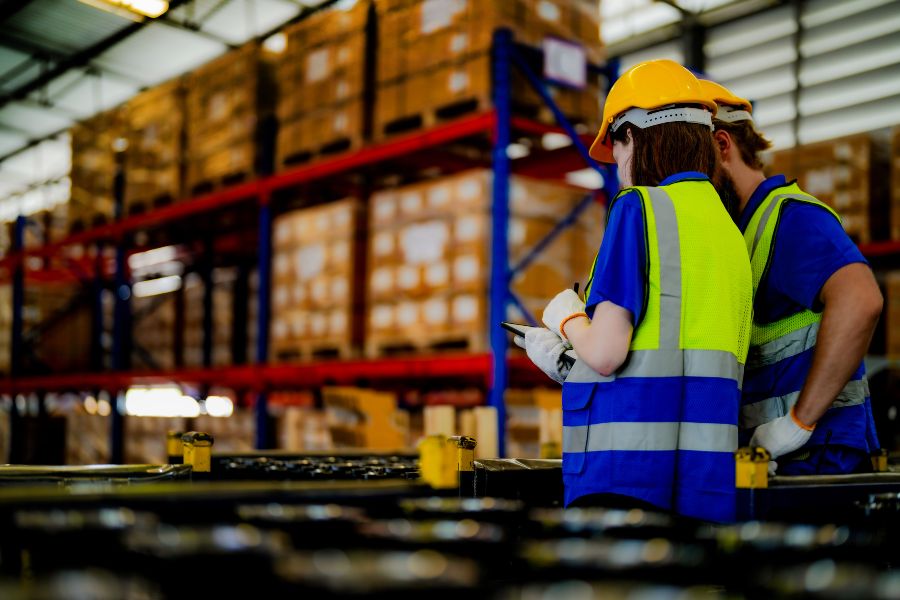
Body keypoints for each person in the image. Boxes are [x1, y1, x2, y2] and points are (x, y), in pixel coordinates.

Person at [516, 60, 752, 522]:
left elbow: (606, 352)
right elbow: (673, 354)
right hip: (706, 476)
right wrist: (571, 363)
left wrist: (567, 319)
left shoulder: (639, 207)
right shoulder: (728, 230)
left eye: (618, 150)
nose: (620, 168)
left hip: (627, 473)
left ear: (636, 137)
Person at [699, 79, 882, 476]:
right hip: (776, 461)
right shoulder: (741, 235)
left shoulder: (790, 218)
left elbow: (861, 300)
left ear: (721, 145)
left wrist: (798, 423)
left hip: (818, 460)